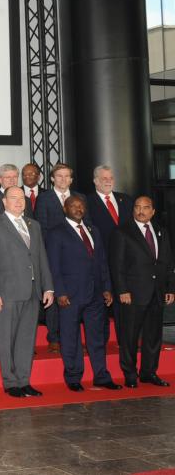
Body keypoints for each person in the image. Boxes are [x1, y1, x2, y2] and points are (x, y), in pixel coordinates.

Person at [0, 186, 55, 398]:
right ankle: (10, 381)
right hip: (6, 292)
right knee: (6, 338)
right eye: (13, 198)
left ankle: (24, 380)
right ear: (4, 201)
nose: (18, 202)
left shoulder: (34, 225)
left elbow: (42, 258)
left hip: (32, 291)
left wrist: (47, 286)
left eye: (21, 198)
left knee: (26, 339)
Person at [45, 195, 121, 392]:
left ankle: (101, 376)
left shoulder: (93, 230)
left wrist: (106, 287)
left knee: (97, 337)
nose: (78, 209)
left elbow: (102, 262)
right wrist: (59, 291)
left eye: (81, 206)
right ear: (65, 208)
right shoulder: (56, 232)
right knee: (71, 338)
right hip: (69, 295)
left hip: (96, 294)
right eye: (73, 205)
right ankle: (73, 377)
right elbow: (53, 266)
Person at [108, 195, 175, 388]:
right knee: (130, 336)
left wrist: (170, 287)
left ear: (153, 211)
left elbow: (168, 262)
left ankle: (149, 373)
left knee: (153, 337)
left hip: (157, 292)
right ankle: (130, 374)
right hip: (133, 293)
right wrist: (122, 290)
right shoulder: (122, 232)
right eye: (137, 207)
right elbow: (117, 264)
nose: (141, 210)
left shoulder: (161, 231)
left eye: (146, 207)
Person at [35, 163, 78, 353]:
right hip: (53, 255)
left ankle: (72, 338)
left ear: (71, 179)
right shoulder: (44, 199)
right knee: (53, 294)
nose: (63, 179)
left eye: (66, 176)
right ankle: (53, 337)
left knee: (75, 298)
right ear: (52, 179)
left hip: (75, 257)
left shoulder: (79, 198)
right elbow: (41, 228)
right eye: (59, 176)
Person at [87, 165, 133, 250]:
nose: (109, 181)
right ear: (96, 181)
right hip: (104, 253)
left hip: (128, 252)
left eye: (111, 178)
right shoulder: (87, 202)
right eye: (104, 178)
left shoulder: (126, 199)